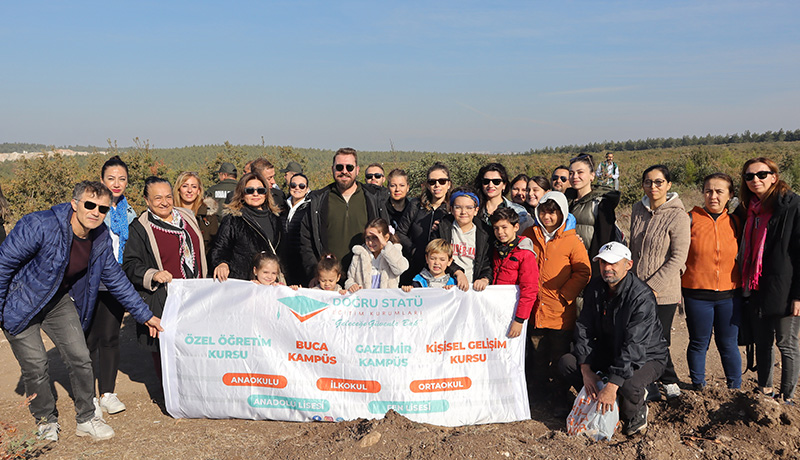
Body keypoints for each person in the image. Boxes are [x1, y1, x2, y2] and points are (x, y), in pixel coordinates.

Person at [0, 181, 162, 442]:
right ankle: (46, 420)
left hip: (58, 301)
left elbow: (116, 280)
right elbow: (3, 264)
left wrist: (144, 314)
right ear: (75, 204)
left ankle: (86, 418)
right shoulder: (39, 225)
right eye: (89, 205)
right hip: (22, 302)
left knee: (80, 357)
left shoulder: (98, 238)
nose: (95, 212)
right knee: (37, 365)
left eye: (103, 208)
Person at [559, 242, 669, 436]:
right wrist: (586, 368)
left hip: (647, 355)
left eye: (613, 263)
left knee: (628, 383)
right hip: (610, 349)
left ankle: (635, 408)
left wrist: (613, 384)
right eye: (602, 263)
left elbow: (635, 346)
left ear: (628, 264)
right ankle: (602, 397)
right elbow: (584, 327)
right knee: (567, 363)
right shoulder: (595, 287)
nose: (607, 268)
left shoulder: (641, 297)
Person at [123, 177, 206, 380]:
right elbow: (130, 264)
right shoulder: (140, 228)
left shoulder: (187, 216)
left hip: (193, 295)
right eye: (157, 197)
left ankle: (194, 390)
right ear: (147, 200)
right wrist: (153, 274)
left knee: (193, 345)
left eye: (168, 196)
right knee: (165, 350)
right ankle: (170, 395)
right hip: (163, 298)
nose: (164, 202)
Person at [738, 157, 800, 404]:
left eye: (762, 174)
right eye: (749, 176)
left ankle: (787, 397)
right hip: (756, 288)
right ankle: (765, 390)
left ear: (774, 176)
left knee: (786, 344)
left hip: (784, 288)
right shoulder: (748, 209)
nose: (755, 180)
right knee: (762, 341)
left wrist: (798, 295)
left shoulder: (791, 207)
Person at [629, 164, 690, 399]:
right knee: (639, 336)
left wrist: (653, 287)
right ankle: (650, 381)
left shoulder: (678, 215)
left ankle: (669, 380)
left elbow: (678, 257)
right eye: (648, 182)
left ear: (668, 185)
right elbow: (634, 249)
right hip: (637, 287)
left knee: (660, 338)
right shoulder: (638, 209)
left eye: (658, 182)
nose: (652, 186)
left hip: (663, 291)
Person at [86, 156, 138, 416]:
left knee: (110, 336)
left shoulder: (129, 212)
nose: (117, 184)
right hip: (91, 281)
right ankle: (87, 398)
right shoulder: (94, 208)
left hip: (117, 282)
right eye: (111, 178)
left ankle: (107, 392)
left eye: (122, 179)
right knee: (89, 339)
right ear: (102, 179)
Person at [522, 191, 591, 385]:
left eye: (553, 212)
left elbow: (583, 271)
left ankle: (559, 395)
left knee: (559, 355)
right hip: (535, 309)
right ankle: (540, 395)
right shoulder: (529, 235)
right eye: (543, 212)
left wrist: (565, 295)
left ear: (562, 213)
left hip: (560, 313)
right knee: (537, 355)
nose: (547, 217)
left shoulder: (571, 241)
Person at [682, 173, 742, 390]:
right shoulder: (689, 219)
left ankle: (734, 390)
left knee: (728, 344)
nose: (713, 196)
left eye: (719, 191)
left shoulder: (736, 221)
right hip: (697, 294)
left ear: (730, 195)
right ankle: (699, 387)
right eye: (708, 191)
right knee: (699, 343)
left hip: (729, 295)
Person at [300, 147, 390, 282]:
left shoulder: (373, 199)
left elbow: (385, 236)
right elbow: (306, 241)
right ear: (332, 169)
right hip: (329, 280)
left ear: (357, 170)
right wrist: (315, 273)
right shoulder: (318, 201)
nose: (344, 171)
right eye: (339, 167)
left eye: (349, 167)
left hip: (365, 279)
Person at [211, 172, 283, 281]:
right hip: (243, 283)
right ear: (242, 193)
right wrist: (222, 263)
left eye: (260, 190)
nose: (255, 194)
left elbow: (283, 254)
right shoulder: (233, 218)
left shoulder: (276, 219)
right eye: (249, 190)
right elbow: (220, 248)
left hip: (270, 284)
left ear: (266, 193)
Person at [396, 162, 452, 285]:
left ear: (449, 184)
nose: (437, 185)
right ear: (427, 185)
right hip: (413, 267)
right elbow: (400, 232)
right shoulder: (416, 205)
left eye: (442, 181)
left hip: (441, 270)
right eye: (432, 182)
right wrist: (414, 250)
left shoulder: (452, 210)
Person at [565, 154, 620, 275]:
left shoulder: (601, 203)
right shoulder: (565, 202)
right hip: (565, 266)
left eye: (580, 172)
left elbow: (605, 241)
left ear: (592, 176)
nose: (575, 177)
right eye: (571, 173)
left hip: (589, 268)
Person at [490, 208, 540, 338]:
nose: (500, 232)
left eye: (504, 227)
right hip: (494, 309)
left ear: (516, 227)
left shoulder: (525, 253)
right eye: (496, 228)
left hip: (513, 312)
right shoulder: (496, 249)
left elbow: (529, 289)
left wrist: (519, 319)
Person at [432, 187, 492, 291]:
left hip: (473, 288)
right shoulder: (442, 229)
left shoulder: (485, 233)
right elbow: (435, 256)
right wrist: (458, 272)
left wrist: (485, 279)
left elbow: (487, 262)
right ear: (451, 209)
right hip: (446, 287)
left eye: (469, 208)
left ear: (476, 210)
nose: (463, 212)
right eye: (458, 207)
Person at [345, 218, 408, 292]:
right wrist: (351, 285)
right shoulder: (359, 254)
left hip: (386, 300)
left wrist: (385, 245)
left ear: (386, 237)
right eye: (368, 238)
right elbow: (350, 278)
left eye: (375, 238)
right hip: (364, 300)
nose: (371, 242)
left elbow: (400, 268)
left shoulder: (393, 251)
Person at [475, 163, 531, 233]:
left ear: (504, 185)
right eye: (486, 181)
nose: (490, 185)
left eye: (496, 182)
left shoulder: (519, 212)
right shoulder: (473, 210)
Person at [174, 171, 219, 257]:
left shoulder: (209, 216)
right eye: (185, 186)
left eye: (194, 187)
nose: (189, 190)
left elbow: (214, 247)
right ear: (178, 190)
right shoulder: (169, 215)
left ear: (199, 191)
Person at [281, 172, 311, 285]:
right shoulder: (282, 207)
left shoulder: (310, 208)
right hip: (283, 263)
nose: (297, 188)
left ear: (307, 189)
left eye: (301, 186)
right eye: (293, 185)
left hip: (302, 263)